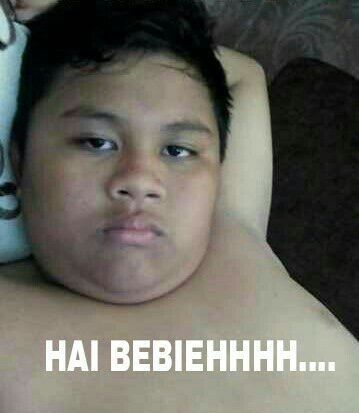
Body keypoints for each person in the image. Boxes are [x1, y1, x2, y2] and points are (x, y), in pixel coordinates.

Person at [0, 0, 358, 411]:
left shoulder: (230, 233)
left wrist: (73, 15)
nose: (139, 179)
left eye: (177, 150)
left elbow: (243, 77)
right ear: (20, 160)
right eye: (96, 142)